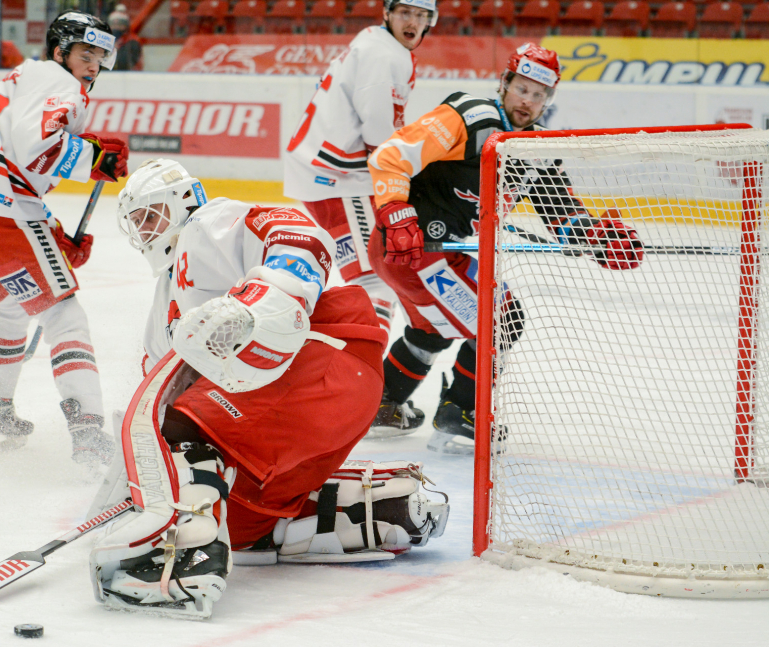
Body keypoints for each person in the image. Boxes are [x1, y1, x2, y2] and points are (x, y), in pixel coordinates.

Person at [82, 159, 449, 619]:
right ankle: (373, 509)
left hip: (325, 358)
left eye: (150, 214)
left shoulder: (207, 224)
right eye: (136, 223)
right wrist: (136, 488)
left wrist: (264, 302)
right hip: (308, 411)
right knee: (235, 513)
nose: (145, 230)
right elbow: (158, 397)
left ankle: (178, 566)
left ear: (183, 200)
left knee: (185, 431)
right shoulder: (165, 303)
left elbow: (302, 235)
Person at [366, 43, 645, 448]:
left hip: (439, 256)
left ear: (549, 99)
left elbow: (562, 216)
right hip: (413, 248)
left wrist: (597, 238)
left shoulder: (537, 149)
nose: (527, 101)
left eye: (539, 94)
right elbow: (391, 156)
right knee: (504, 318)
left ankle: (383, 402)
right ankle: (458, 413)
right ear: (505, 83)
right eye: (522, 88)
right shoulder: (470, 116)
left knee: (432, 330)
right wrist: (395, 211)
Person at [0, 12, 129, 468]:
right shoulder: (63, 86)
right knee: (64, 315)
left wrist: (52, 234)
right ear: (60, 51)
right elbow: (34, 148)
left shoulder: (25, 75)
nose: (93, 67)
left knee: (9, 305)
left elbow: (13, 169)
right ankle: (89, 437)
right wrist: (93, 155)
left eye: (99, 57)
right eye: (85, 55)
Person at [282, 0, 436, 437]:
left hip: (327, 171)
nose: (413, 22)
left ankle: (351, 384)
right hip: (339, 175)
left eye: (422, 15)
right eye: (406, 11)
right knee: (375, 281)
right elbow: (378, 135)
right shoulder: (382, 52)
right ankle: (360, 393)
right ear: (388, 12)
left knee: (368, 279)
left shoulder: (378, 45)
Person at [107, 7, 141, 71]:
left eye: (120, 24)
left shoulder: (132, 41)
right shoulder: (105, 40)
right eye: (113, 24)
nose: (116, 27)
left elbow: (126, 63)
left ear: (126, 26)